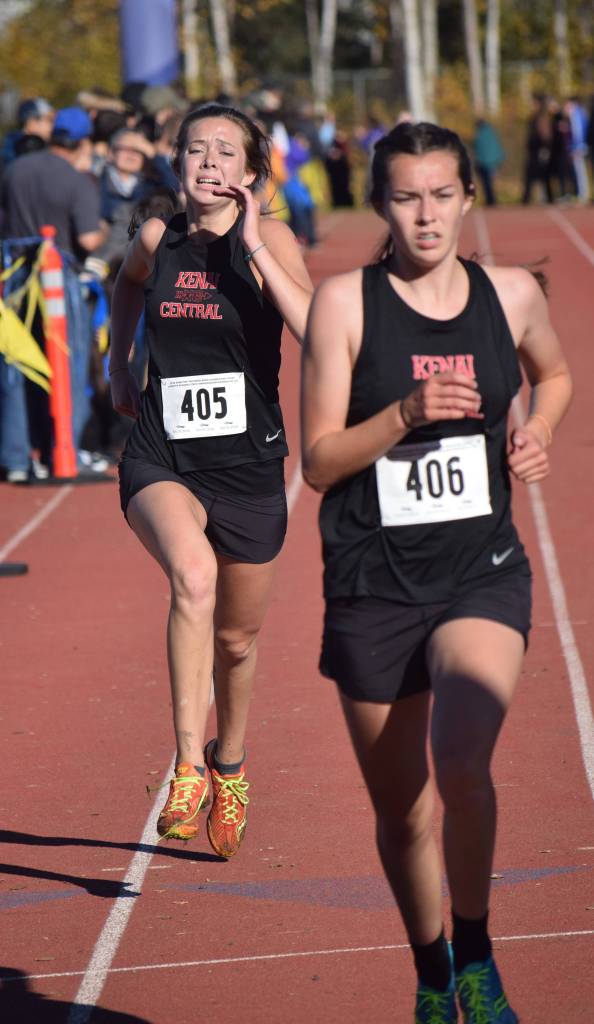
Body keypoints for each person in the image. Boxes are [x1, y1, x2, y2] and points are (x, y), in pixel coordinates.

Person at [301, 121, 572, 1022]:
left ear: (467, 197)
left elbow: (557, 377)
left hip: (479, 571)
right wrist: (405, 413)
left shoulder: (509, 297)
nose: (426, 215)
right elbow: (320, 461)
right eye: (407, 196)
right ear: (382, 203)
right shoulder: (346, 304)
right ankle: (430, 969)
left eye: (442, 194)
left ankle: (478, 955)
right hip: (373, 581)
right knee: (405, 809)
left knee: (462, 762)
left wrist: (536, 430)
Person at [109, 103, 312, 857]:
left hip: (249, 467)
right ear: (178, 164)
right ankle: (188, 764)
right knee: (192, 577)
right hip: (163, 455)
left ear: (251, 173)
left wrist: (256, 246)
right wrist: (116, 361)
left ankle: (231, 764)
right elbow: (126, 286)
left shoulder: (275, 241)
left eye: (225, 152)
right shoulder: (158, 238)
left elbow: (315, 325)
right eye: (195, 150)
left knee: (236, 640)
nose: (207, 163)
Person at [473, 119, 504, 206]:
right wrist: (499, 160)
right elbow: (497, 147)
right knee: (491, 183)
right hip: (493, 162)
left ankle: (491, 201)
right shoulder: (492, 133)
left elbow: (481, 150)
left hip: (485, 163)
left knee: (487, 184)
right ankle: (492, 200)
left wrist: (479, 162)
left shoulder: (481, 135)